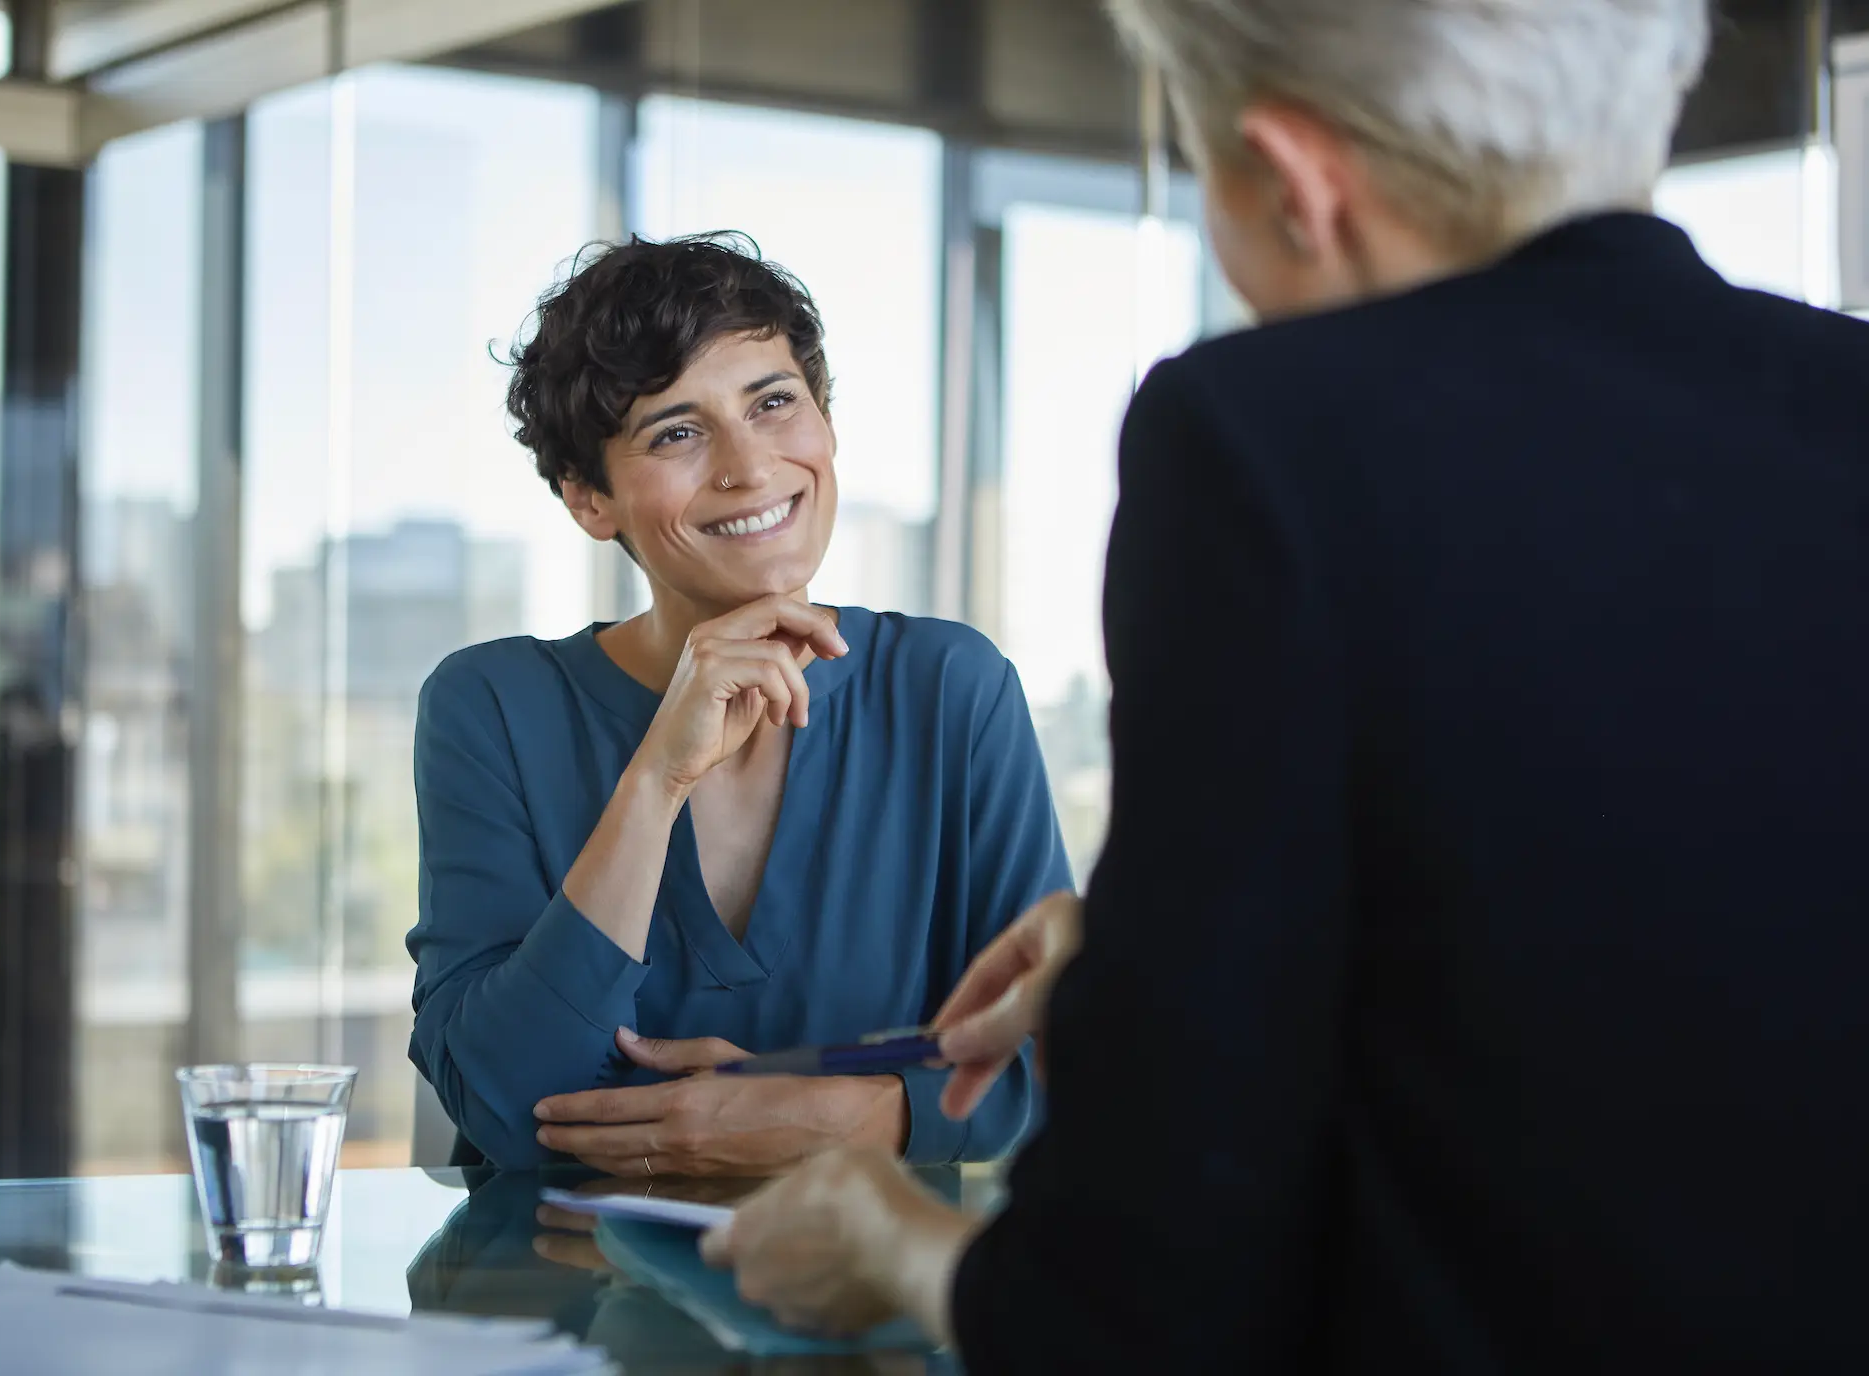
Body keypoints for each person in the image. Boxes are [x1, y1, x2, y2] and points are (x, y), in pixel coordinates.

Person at [704, 0, 1869, 1368]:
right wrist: (1149, 967)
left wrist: (897, 1244)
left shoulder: (1265, 435)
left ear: (1295, 180)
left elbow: (1140, 1304)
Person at [407, 234, 1071, 1175]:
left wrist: (802, 1119)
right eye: (676, 432)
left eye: (773, 404)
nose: (750, 467)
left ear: (825, 421)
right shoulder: (492, 706)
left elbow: (1049, 1060)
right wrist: (656, 778)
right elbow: (507, 1102)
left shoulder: (950, 688)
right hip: (558, 1303)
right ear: (589, 499)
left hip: (872, 1299)